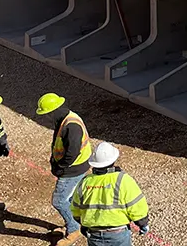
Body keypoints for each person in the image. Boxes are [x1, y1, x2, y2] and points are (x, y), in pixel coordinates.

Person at [38, 92, 92, 245]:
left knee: (59, 201)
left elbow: (72, 153)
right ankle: (73, 222)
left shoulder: (71, 126)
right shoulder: (65, 119)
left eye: (46, 114)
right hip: (75, 166)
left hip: (73, 169)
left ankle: (74, 229)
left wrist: (60, 167)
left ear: (53, 111)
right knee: (70, 198)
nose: (46, 118)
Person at [70, 142, 150, 246]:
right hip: (118, 234)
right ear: (113, 160)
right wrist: (142, 224)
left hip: (93, 234)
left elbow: (75, 209)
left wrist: (84, 224)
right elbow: (136, 206)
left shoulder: (84, 182)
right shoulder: (122, 180)